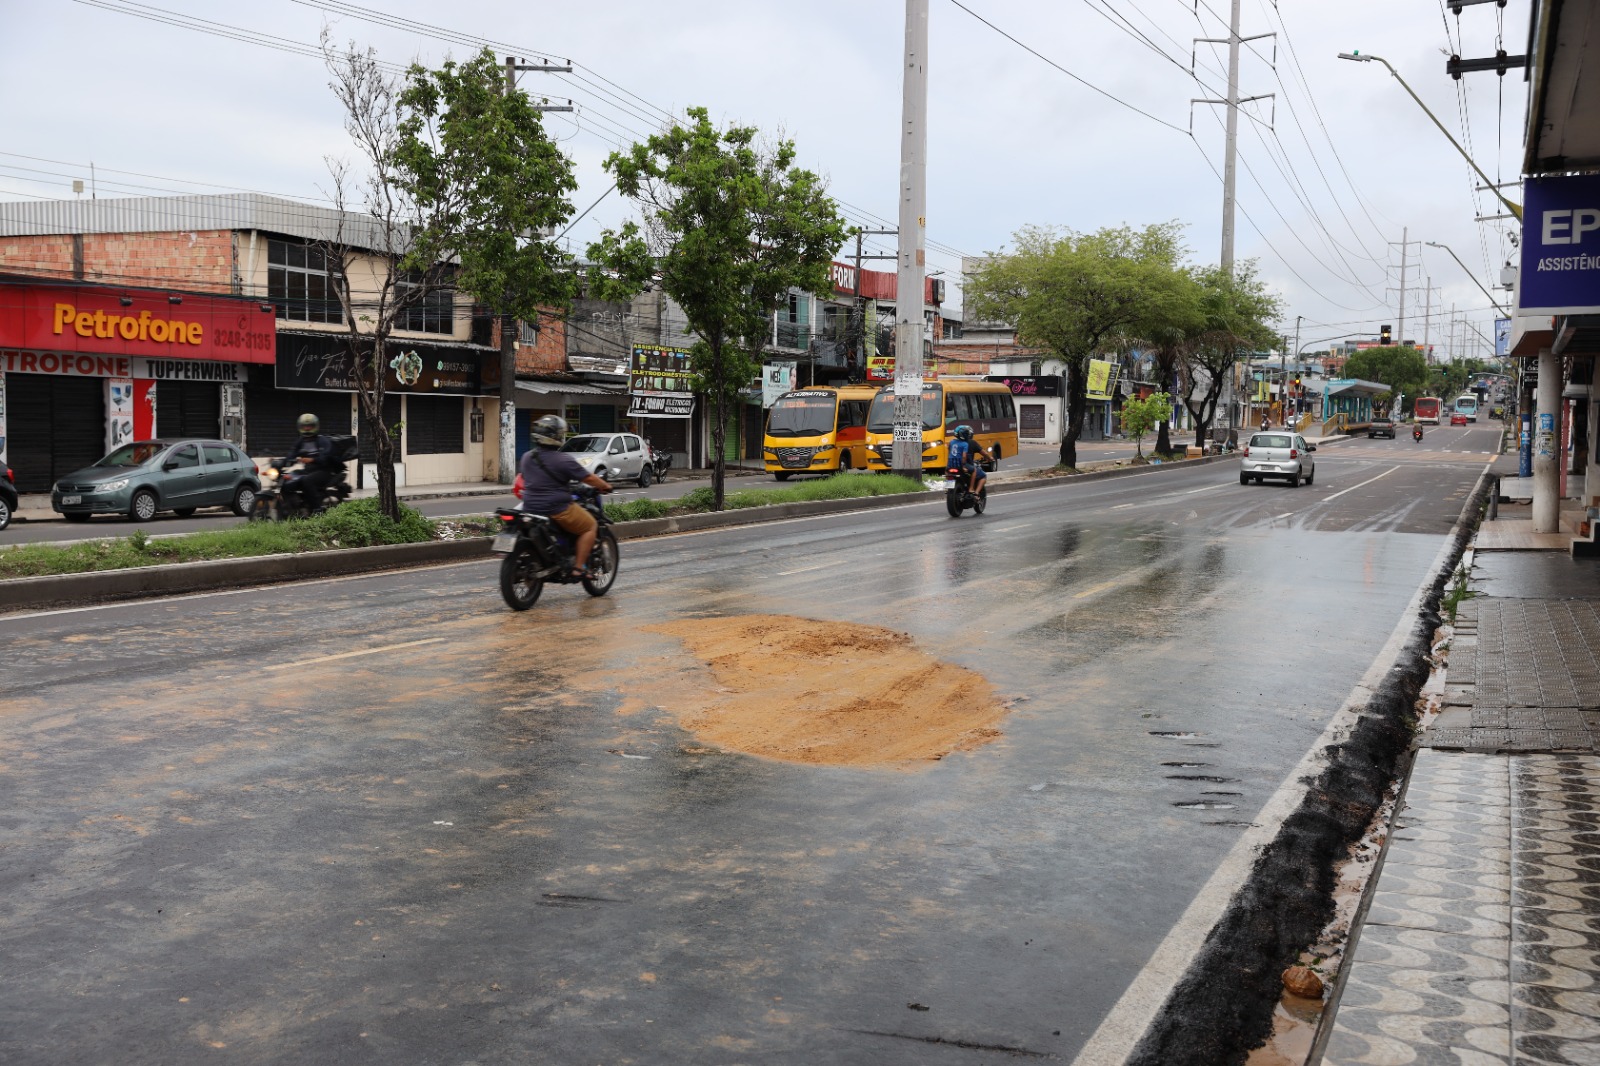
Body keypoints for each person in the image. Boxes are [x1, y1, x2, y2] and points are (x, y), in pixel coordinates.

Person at [519, 415, 613, 578]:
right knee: (590, 526)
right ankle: (579, 568)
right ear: (556, 436)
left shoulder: (527, 457)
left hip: (529, 508)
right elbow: (588, 478)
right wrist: (605, 486)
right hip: (557, 508)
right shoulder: (563, 459)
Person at [283, 413, 333, 514]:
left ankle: (317, 509)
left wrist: (312, 460)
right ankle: (291, 508)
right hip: (308, 470)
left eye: (309, 426)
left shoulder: (322, 440)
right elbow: (292, 453)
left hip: (324, 471)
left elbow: (326, 458)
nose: (307, 428)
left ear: (315, 426)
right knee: (287, 480)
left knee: (307, 480)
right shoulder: (301, 441)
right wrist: (280, 462)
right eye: (304, 426)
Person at [947, 424, 987, 497]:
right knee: (974, 471)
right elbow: (964, 456)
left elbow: (949, 452)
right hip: (960, 465)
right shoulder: (965, 444)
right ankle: (971, 488)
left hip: (950, 465)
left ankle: (948, 487)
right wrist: (963, 466)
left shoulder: (952, 442)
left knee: (948, 474)